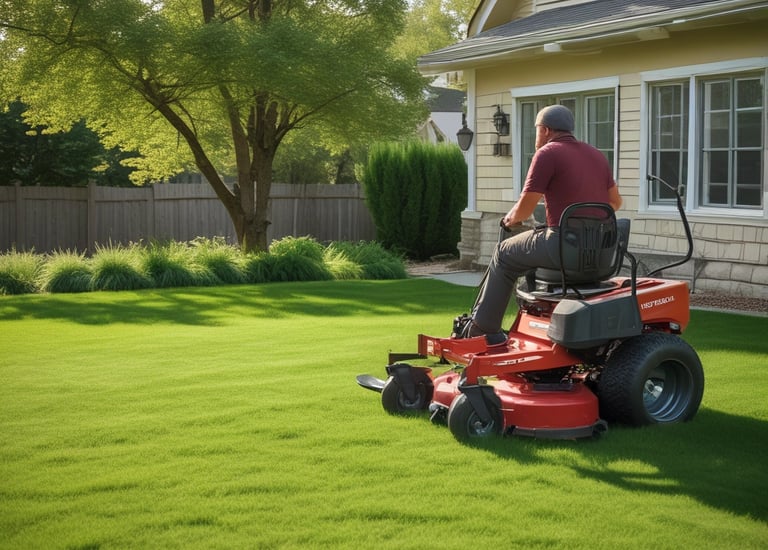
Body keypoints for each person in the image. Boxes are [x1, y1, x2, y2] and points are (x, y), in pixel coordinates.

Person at [463, 105, 622, 343]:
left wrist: (509, 220)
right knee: (529, 250)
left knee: (505, 253)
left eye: (536, 130)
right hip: (600, 254)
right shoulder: (596, 155)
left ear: (546, 130)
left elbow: (525, 208)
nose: (535, 135)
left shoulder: (548, 153)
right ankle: (532, 322)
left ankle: (482, 329)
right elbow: (615, 203)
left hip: (561, 248)